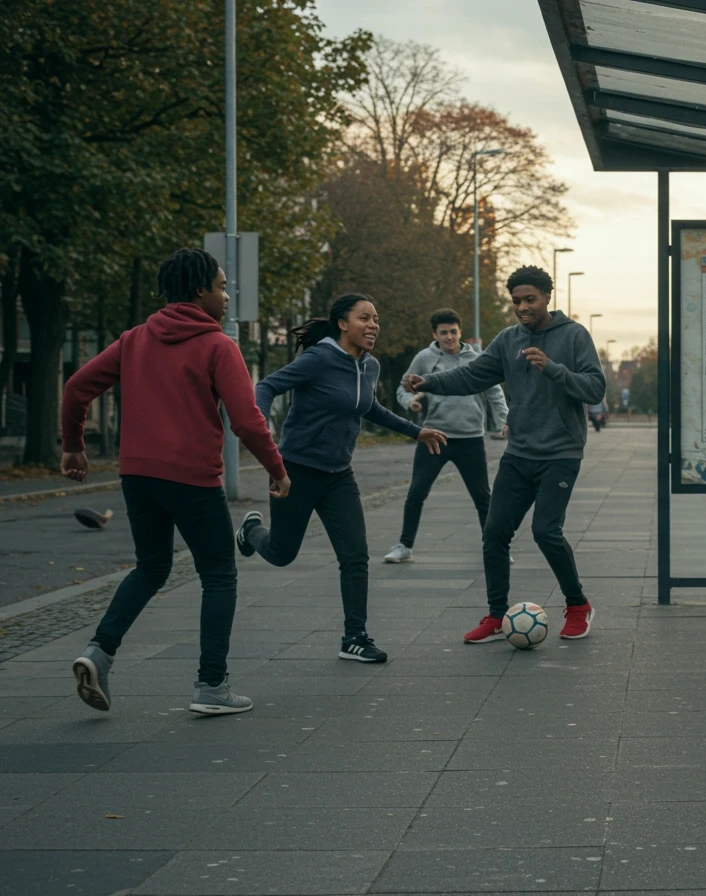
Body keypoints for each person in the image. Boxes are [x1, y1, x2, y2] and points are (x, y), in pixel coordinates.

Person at [61, 247, 291, 715]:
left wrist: (73, 445)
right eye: (222, 287)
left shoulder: (134, 339)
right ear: (199, 290)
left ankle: (98, 652)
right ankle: (211, 686)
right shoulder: (218, 345)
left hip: (138, 475)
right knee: (219, 575)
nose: (228, 296)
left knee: (150, 568)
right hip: (192, 479)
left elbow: (76, 387)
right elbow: (246, 421)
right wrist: (276, 469)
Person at [237, 294, 447, 664]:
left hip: (339, 476)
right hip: (295, 472)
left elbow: (372, 408)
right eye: (364, 317)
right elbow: (266, 386)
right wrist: (264, 432)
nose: (373, 325)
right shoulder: (318, 358)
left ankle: (355, 637)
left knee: (355, 555)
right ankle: (251, 532)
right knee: (282, 554)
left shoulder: (370, 367)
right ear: (342, 323)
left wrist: (416, 432)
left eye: (376, 319)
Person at [402, 265, 606, 643]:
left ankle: (578, 605)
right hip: (519, 453)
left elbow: (594, 389)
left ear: (547, 296)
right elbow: (471, 376)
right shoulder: (508, 340)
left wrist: (553, 369)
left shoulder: (574, 335)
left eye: (530, 299)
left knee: (545, 531)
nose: (523, 307)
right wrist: (427, 382)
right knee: (494, 533)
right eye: (516, 301)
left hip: (561, 452)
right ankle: (497, 616)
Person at [384, 308, 508, 564]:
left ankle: (495, 548)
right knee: (416, 493)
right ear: (435, 334)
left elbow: (494, 392)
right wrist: (411, 402)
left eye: (453, 331)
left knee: (483, 497)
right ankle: (405, 546)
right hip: (434, 437)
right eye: (444, 333)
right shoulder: (424, 358)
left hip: (471, 438)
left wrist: (504, 421)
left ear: (460, 331)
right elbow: (403, 387)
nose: (449, 337)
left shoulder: (477, 358)